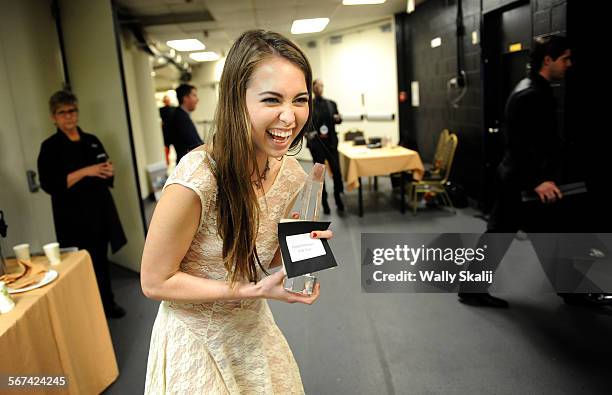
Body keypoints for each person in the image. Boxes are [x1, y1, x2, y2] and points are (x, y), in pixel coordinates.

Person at [141, 30, 334, 393]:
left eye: (300, 99)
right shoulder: (197, 178)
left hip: (252, 330)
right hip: (195, 337)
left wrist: (300, 248)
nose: (289, 117)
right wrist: (251, 290)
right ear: (236, 99)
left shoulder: (292, 174)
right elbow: (154, 281)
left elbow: (267, 260)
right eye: (272, 99)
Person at [459, 36, 609, 308]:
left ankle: (571, 292)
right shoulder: (531, 94)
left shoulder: (533, 88)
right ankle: (471, 290)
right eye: (565, 58)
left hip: (516, 180)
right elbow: (519, 144)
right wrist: (537, 180)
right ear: (548, 60)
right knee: (511, 235)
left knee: (535, 237)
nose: (569, 64)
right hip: (521, 183)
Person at [37, 90, 127, 318]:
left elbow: (105, 169)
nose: (69, 116)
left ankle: (108, 303)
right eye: (62, 113)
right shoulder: (50, 147)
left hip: (99, 211)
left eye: (72, 111)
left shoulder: (92, 141)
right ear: (54, 117)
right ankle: (86, 311)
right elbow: (50, 184)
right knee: (79, 266)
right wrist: (87, 171)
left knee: (101, 262)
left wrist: (108, 171)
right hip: (72, 217)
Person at [307, 79, 344, 214]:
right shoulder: (308, 105)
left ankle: (338, 197)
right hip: (317, 145)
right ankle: (324, 202)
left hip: (331, 144)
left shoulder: (331, 104)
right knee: (319, 176)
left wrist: (338, 118)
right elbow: (305, 124)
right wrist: (308, 135)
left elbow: (337, 120)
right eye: (317, 86)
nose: (319, 88)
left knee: (337, 172)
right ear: (312, 88)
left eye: (322, 85)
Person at [168, 83, 203, 163]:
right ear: (185, 98)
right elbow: (194, 144)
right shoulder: (181, 117)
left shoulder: (181, 115)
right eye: (194, 95)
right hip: (188, 166)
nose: (197, 99)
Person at [159, 95, 175, 165]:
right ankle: (167, 162)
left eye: (167, 100)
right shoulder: (161, 110)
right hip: (165, 130)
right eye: (165, 100)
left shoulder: (173, 108)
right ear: (163, 102)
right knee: (166, 148)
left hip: (173, 130)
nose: (167, 102)